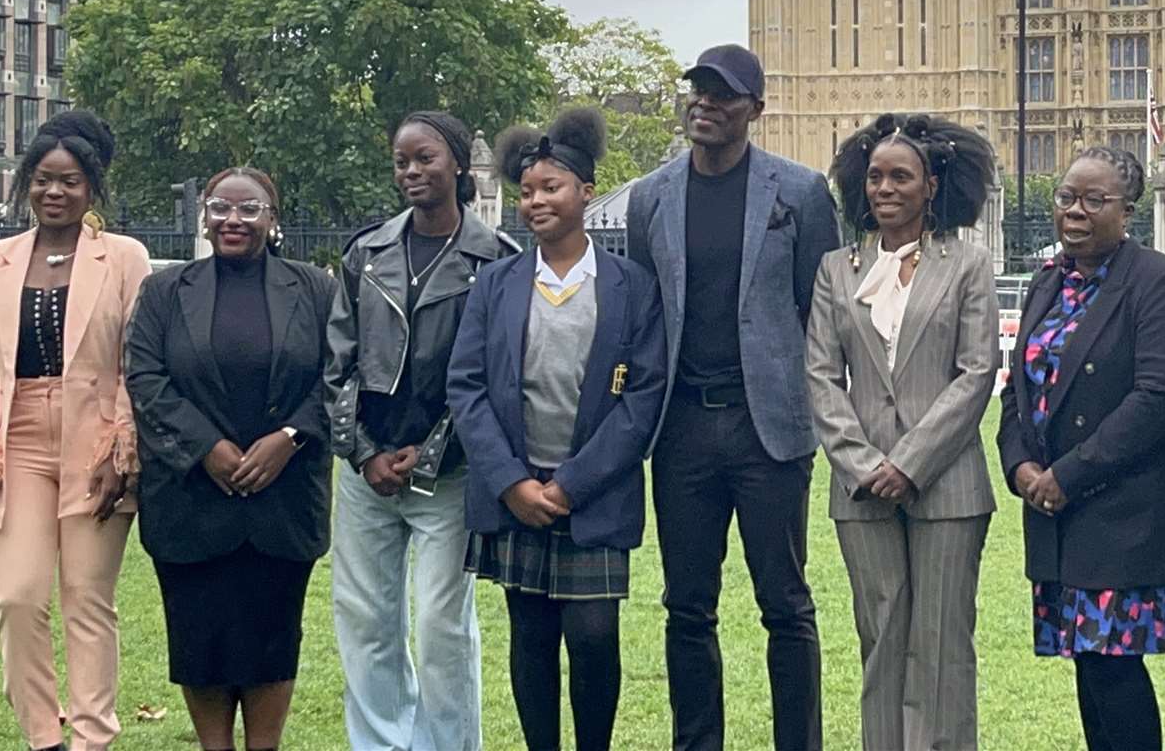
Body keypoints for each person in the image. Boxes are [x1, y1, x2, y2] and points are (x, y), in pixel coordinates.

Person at [624, 43, 842, 751]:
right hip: (681, 428)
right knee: (687, 608)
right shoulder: (651, 196)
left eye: (723, 94)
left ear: (757, 108)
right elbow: (643, 311)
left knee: (785, 605)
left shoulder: (802, 193)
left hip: (768, 430)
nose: (706, 103)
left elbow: (823, 312)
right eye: (698, 90)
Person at [447, 109, 668, 751]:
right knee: (531, 635)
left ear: (587, 193)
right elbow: (467, 386)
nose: (536, 201)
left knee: (595, 634)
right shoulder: (496, 283)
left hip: (591, 492)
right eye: (527, 190)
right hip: (516, 493)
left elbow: (644, 395)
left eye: (552, 187)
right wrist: (512, 481)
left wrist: (573, 484)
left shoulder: (631, 287)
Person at [0, 111, 152, 751]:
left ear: (92, 189)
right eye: (42, 179)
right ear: (26, 184)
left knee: (88, 598)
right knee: (18, 596)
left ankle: (90, 739)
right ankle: (43, 737)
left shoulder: (123, 258)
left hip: (96, 442)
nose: (53, 192)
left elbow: (135, 362)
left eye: (70, 181)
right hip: (18, 439)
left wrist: (124, 447)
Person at [995, 147, 1165, 751]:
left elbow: (1159, 396)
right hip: (1056, 509)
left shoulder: (1158, 281)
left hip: (1121, 510)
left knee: (1114, 667)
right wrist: (1020, 466)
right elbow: (1018, 385)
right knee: (1087, 662)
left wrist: (1068, 475)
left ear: (1128, 211)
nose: (1075, 212)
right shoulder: (1048, 280)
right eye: (1066, 198)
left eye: (1093, 200)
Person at [805, 113, 999, 751]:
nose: (884, 188)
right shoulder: (837, 269)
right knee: (882, 636)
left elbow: (976, 374)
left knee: (942, 642)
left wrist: (910, 462)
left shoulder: (968, 265)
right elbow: (823, 377)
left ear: (932, 185)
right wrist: (863, 466)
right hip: (861, 492)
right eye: (875, 177)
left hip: (946, 487)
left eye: (901, 177)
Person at [125, 167, 337, 751]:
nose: (233, 220)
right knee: (200, 641)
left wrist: (290, 437)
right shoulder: (165, 293)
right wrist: (206, 449)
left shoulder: (315, 290)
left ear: (274, 221)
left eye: (250, 209)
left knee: (272, 639)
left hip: (284, 500)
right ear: (204, 216)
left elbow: (340, 376)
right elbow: (145, 377)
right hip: (191, 500)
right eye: (220, 207)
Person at [326, 111, 518, 751]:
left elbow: (496, 379)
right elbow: (337, 362)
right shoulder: (366, 253)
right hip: (367, 472)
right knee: (366, 618)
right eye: (402, 160)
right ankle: (381, 742)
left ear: (459, 164)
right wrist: (363, 454)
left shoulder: (496, 259)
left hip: (451, 473)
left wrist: (431, 452)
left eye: (426, 158)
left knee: (442, 624)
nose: (412, 171)